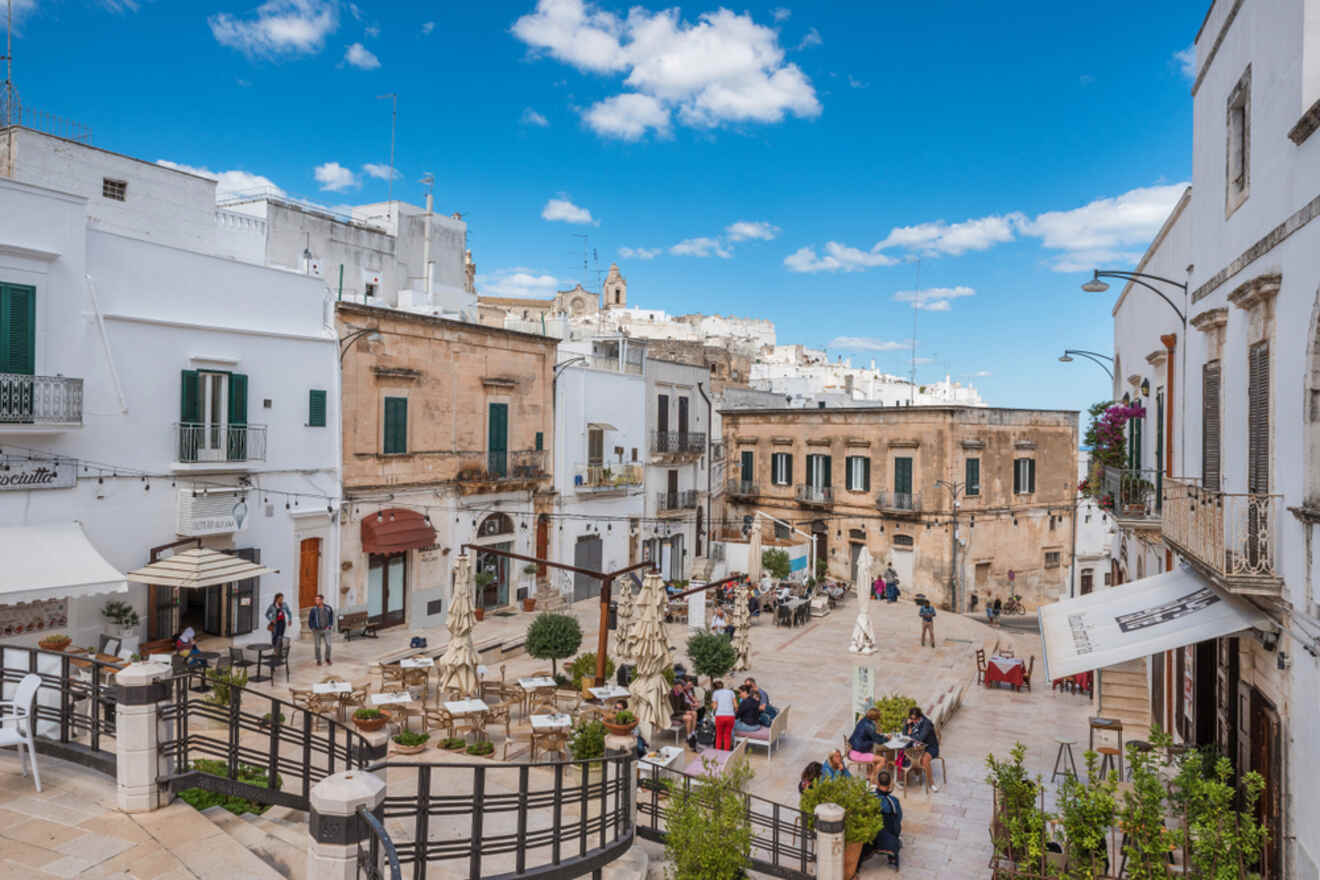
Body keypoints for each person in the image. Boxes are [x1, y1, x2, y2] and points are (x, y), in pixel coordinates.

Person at [867, 770, 903, 866]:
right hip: (888, 837)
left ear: (877, 783)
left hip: (871, 836)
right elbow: (898, 820)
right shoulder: (894, 801)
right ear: (890, 783)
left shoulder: (869, 797)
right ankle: (892, 853)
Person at [902, 706, 941, 793]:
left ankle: (931, 783)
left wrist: (910, 735)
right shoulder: (912, 722)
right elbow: (904, 733)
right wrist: (907, 724)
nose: (914, 721)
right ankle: (917, 773)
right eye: (912, 718)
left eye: (915, 719)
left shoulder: (926, 724)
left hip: (930, 747)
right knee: (908, 754)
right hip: (919, 747)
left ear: (920, 717)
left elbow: (920, 738)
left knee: (924, 760)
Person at [847, 707, 890, 784]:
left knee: (874, 752)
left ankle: (869, 774)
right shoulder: (870, 726)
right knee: (883, 760)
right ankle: (872, 777)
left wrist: (879, 735)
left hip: (853, 748)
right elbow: (878, 740)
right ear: (876, 718)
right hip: (858, 752)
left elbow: (873, 736)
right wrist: (887, 739)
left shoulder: (863, 721)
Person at [307, 593, 334, 666]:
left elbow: (331, 617)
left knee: (328, 645)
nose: (316, 601)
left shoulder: (328, 608)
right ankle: (319, 660)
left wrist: (330, 625)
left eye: (318, 600)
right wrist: (312, 627)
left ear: (322, 600)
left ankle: (327, 658)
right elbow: (310, 620)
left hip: (326, 629)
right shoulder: (313, 609)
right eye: (316, 600)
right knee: (317, 646)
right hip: (317, 630)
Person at [669, 681, 698, 748]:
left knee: (694, 713)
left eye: (683, 687)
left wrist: (691, 706)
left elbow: (684, 705)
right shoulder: (671, 695)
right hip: (673, 715)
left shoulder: (681, 694)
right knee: (689, 717)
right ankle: (688, 737)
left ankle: (692, 733)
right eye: (682, 687)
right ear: (676, 686)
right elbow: (673, 710)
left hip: (679, 713)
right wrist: (685, 712)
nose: (683, 688)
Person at [710, 679, 737, 751]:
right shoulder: (731, 692)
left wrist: (712, 705)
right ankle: (726, 753)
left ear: (715, 688)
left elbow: (714, 707)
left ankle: (718, 753)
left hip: (720, 717)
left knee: (719, 735)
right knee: (727, 735)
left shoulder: (715, 693)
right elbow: (736, 706)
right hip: (730, 716)